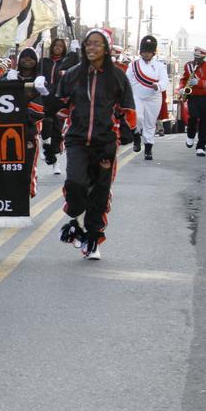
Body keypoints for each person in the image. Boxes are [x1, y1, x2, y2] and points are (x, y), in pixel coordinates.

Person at [55, 28, 136, 260]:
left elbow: (127, 109)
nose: (91, 47)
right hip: (76, 139)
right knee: (76, 183)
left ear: (107, 48)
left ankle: (92, 238)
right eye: (88, 43)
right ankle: (74, 216)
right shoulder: (72, 74)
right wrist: (54, 135)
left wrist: (126, 132)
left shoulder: (117, 76)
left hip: (105, 142)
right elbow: (60, 106)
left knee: (100, 191)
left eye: (97, 44)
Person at [7, 47, 45, 197]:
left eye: (31, 57)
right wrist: (5, 82)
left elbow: (40, 108)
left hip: (30, 131)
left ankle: (26, 198)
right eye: (24, 57)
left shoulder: (40, 80)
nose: (27, 60)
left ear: (36, 61)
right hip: (8, 130)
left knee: (28, 167)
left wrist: (43, 89)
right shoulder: (10, 77)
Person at [127, 35, 168, 161]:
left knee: (150, 123)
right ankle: (136, 137)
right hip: (137, 96)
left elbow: (164, 80)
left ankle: (148, 149)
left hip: (154, 97)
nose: (146, 54)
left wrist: (159, 86)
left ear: (153, 52)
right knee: (137, 118)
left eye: (148, 52)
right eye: (144, 51)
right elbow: (127, 80)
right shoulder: (133, 65)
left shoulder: (160, 66)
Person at [178, 47, 206, 156]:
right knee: (193, 117)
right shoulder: (188, 65)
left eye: (199, 58)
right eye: (195, 57)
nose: (196, 60)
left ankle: (201, 147)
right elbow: (184, 79)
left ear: (203, 57)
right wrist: (182, 87)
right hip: (194, 96)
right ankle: (190, 135)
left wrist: (199, 82)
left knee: (205, 122)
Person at [38, 37, 70, 172]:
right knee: (44, 125)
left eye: (61, 46)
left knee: (57, 130)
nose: (58, 48)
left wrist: (76, 53)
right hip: (45, 97)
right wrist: (37, 53)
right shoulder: (44, 62)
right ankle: (44, 146)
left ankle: (56, 161)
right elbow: (37, 74)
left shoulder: (66, 62)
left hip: (59, 99)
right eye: (56, 45)